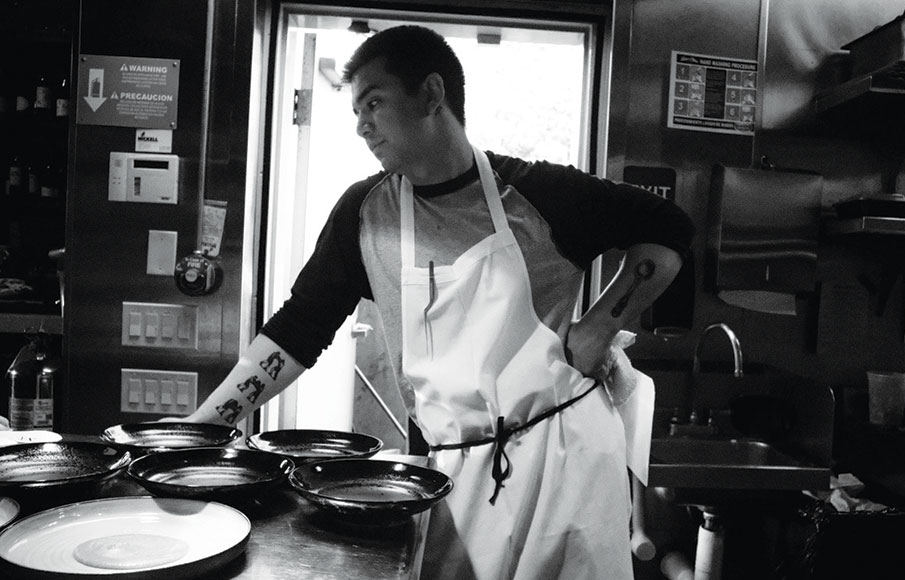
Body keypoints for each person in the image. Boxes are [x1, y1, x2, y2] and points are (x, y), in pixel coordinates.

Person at [180, 25, 693, 580]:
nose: (361, 126)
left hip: (565, 457)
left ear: (430, 94)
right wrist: (206, 429)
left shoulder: (539, 196)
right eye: (356, 111)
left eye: (374, 102)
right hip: (449, 472)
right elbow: (299, 327)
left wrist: (597, 328)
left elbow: (668, 230)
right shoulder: (365, 213)